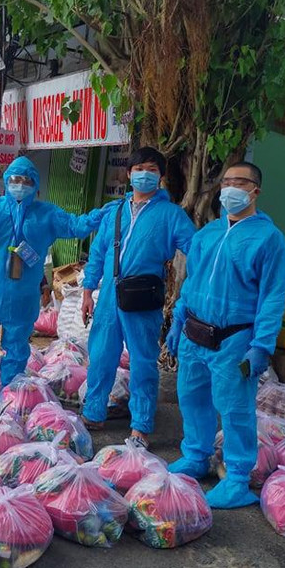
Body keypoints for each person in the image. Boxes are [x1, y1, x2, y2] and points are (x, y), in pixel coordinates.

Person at [165, 161, 285, 509]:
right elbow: (191, 283)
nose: (231, 188)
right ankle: (196, 455)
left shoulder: (269, 240)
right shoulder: (207, 235)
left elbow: (272, 297)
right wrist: (177, 321)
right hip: (194, 333)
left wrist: (262, 346)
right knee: (192, 398)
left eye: (240, 182)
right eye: (227, 181)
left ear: (255, 191)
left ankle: (236, 477)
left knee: (235, 409)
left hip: (234, 340)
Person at [0, 155, 110, 395]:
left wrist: (100, 215)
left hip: (22, 298)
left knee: (16, 350)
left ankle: (10, 397)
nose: (20, 184)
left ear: (35, 185)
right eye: (15, 179)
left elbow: (76, 226)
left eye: (26, 181)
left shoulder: (46, 214)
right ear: (6, 181)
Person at [80, 147, 195, 449]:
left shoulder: (172, 215)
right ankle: (94, 412)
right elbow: (98, 253)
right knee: (101, 356)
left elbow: (195, 250)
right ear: (129, 173)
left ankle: (141, 425)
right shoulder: (115, 211)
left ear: (160, 177)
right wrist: (87, 291)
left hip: (143, 298)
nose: (146, 174)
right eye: (140, 168)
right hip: (108, 298)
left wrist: (193, 290)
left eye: (153, 169)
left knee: (143, 362)